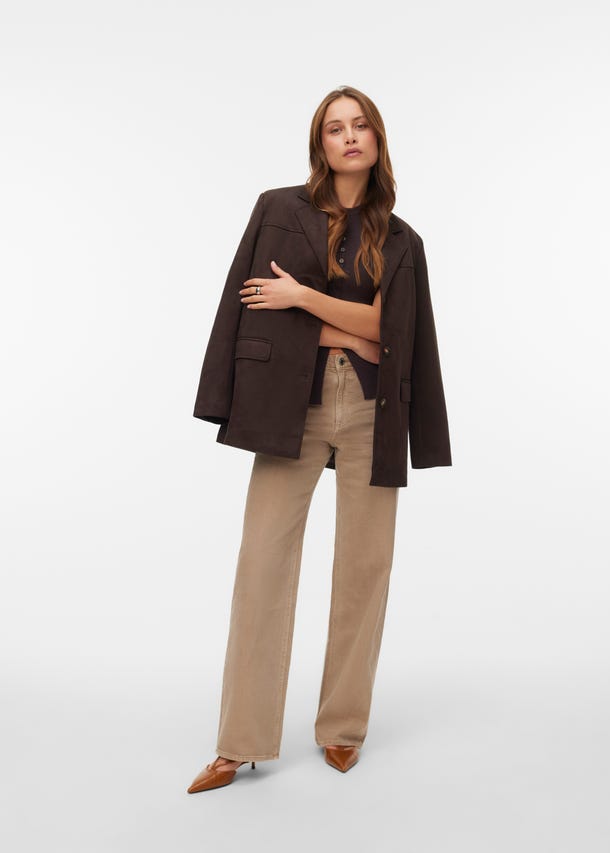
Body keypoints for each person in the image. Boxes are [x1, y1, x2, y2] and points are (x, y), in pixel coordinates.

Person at [187, 85, 452, 793]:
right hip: (289, 406)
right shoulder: (278, 210)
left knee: (365, 568)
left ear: (377, 139)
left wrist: (303, 299)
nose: (350, 136)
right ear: (321, 144)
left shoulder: (402, 239)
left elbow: (394, 332)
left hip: (371, 410)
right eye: (336, 128)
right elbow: (250, 306)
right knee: (262, 565)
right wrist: (354, 331)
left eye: (361, 124)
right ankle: (239, 741)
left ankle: (342, 728)